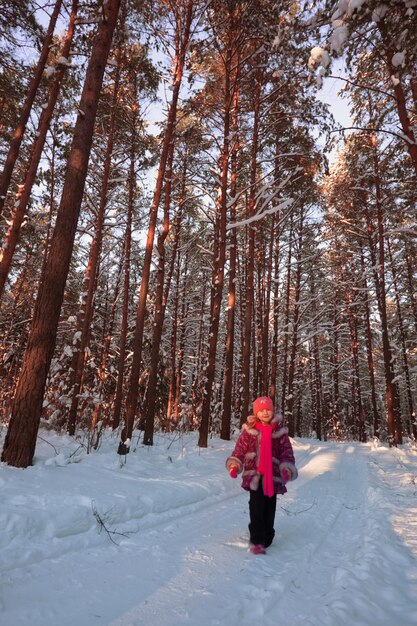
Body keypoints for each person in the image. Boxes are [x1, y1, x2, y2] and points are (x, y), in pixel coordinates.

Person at [226, 396, 297, 555]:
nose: (265, 413)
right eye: (261, 410)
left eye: (268, 409)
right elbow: (239, 451)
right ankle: (257, 541)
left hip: (272, 478)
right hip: (254, 477)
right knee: (256, 507)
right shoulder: (249, 431)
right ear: (256, 412)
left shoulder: (279, 432)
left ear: (272, 411)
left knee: (269, 508)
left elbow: (286, 453)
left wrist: (286, 468)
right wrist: (234, 464)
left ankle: (268, 535)